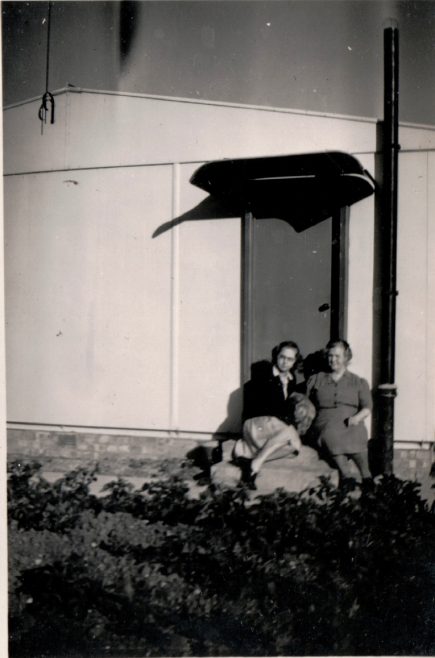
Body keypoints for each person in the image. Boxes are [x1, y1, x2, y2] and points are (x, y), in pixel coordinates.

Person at [232, 340, 315, 489]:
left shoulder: (291, 379)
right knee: (290, 431)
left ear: (295, 361)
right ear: (276, 356)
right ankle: (254, 465)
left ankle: (250, 458)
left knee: (295, 446)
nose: (285, 362)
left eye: (290, 359)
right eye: (282, 357)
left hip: (273, 425)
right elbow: (270, 407)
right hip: (256, 422)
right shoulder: (264, 375)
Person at [306, 339, 372, 488]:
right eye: (330, 356)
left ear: (346, 357)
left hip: (351, 421)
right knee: (331, 433)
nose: (333, 359)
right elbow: (306, 402)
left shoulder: (358, 382)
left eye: (337, 356)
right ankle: (346, 475)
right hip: (324, 422)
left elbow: (367, 406)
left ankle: (366, 476)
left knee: (358, 432)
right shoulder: (317, 379)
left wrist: (357, 418)